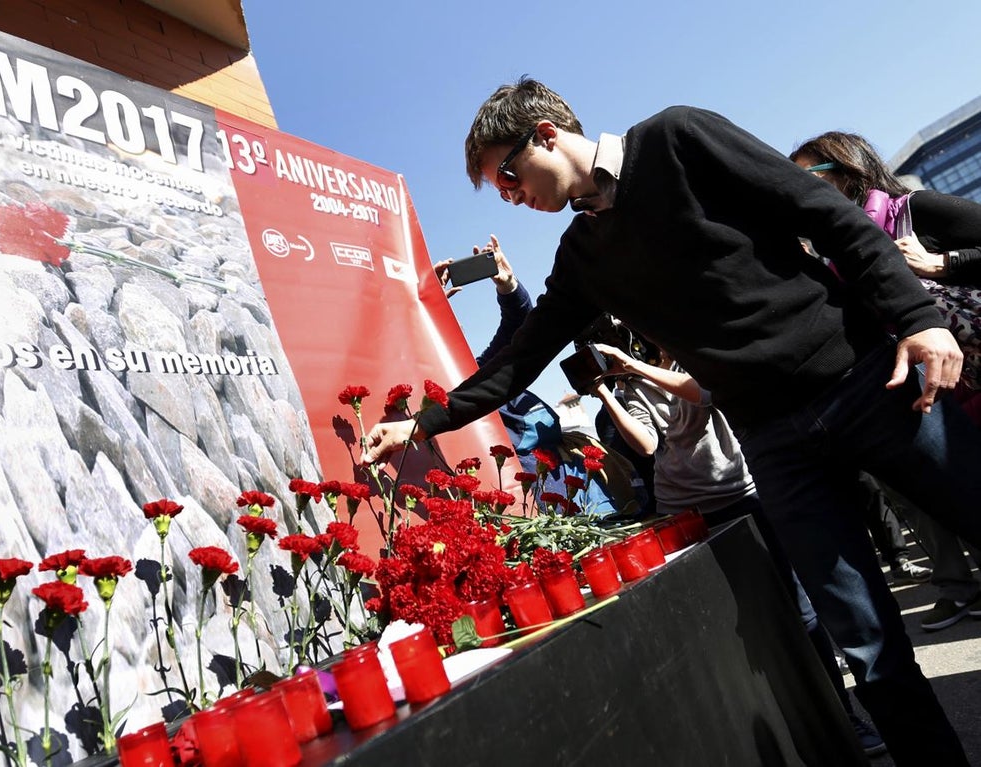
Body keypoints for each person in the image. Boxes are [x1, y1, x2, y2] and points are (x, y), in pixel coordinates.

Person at [363, 77, 981, 766]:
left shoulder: (678, 138)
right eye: (498, 190)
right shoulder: (581, 258)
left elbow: (827, 216)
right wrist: (427, 420)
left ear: (544, 134)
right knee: (870, 650)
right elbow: (521, 355)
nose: (510, 197)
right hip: (776, 446)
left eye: (506, 176)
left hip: (868, 381)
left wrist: (920, 320)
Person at [586, 337, 885, 754]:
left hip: (743, 493)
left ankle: (845, 715)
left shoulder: (701, 352)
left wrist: (636, 368)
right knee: (722, 620)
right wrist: (605, 391)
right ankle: (775, 722)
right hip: (683, 514)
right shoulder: (631, 386)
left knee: (801, 608)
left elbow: (702, 392)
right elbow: (647, 445)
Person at [791, 131, 981, 632]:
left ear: (847, 171)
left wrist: (943, 263)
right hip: (947, 384)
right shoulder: (835, 257)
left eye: (806, 177)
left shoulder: (916, 209)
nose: (796, 192)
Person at [435, 236, 643, 517]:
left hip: (584, 490)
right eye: (439, 324)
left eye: (451, 320)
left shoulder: (481, 370)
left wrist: (508, 286)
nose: (452, 328)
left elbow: (519, 326)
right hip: (540, 506)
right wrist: (426, 309)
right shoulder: (442, 396)